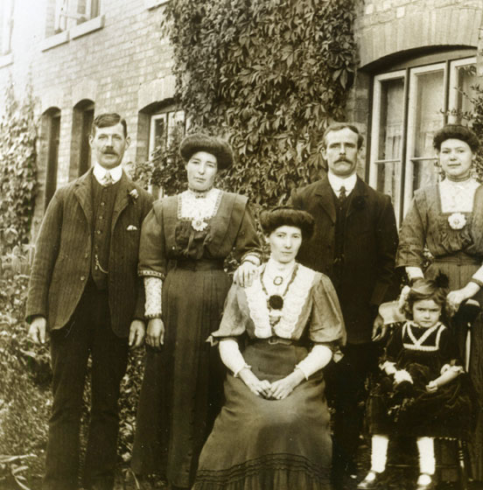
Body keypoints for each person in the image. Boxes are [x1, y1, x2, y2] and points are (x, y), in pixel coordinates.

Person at [25, 113, 153, 490]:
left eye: (117, 138)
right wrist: (37, 312)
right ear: (91, 143)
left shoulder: (141, 200)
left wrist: (140, 316)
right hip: (70, 312)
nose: (110, 144)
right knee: (65, 402)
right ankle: (58, 482)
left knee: (106, 405)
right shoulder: (66, 195)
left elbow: (149, 265)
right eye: (103, 138)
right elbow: (43, 255)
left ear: (127, 144)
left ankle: (98, 483)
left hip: (115, 314)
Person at [131, 133, 262, 489]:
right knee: (168, 379)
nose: (202, 171)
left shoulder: (235, 205)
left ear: (218, 172)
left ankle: (207, 471)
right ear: (185, 166)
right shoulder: (164, 208)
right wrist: (154, 315)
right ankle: (162, 470)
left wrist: (249, 263)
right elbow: (151, 264)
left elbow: (252, 248)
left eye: (210, 165)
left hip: (217, 299)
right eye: (196, 163)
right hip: (173, 298)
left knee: (211, 378)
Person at [396, 124, 483, 483]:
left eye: (460, 151)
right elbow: (408, 246)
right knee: (434, 368)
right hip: (433, 290)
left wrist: (467, 290)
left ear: (473, 156)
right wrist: (423, 291)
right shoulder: (423, 196)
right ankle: (438, 467)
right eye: (446, 151)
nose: (452, 157)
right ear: (438, 158)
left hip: (480, 290)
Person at [193, 206, 346, 490]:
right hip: (251, 368)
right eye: (280, 235)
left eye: (295, 237)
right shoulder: (246, 280)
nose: (288, 244)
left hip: (298, 371)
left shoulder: (316, 282)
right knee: (254, 421)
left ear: (303, 241)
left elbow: (326, 344)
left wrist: (292, 381)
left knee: (291, 419)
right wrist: (248, 378)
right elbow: (227, 338)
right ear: (268, 238)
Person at [289, 122, 399, 485]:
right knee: (310, 391)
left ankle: (344, 469)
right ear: (324, 152)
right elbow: (288, 254)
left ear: (359, 152)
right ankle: (309, 466)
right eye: (334, 145)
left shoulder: (379, 203)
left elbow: (388, 262)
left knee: (350, 396)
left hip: (358, 316)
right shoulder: (304, 199)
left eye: (348, 146)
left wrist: (381, 306)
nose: (341, 152)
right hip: (309, 314)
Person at [358, 277, 477, 490]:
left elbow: (456, 366)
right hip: (403, 384)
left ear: (441, 310)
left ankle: (426, 471)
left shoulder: (443, 333)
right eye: (421, 310)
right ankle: (376, 467)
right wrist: (396, 374)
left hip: (430, 386)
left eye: (433, 311)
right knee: (379, 402)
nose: (427, 315)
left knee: (424, 411)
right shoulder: (402, 331)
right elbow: (388, 360)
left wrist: (438, 382)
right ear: (410, 308)